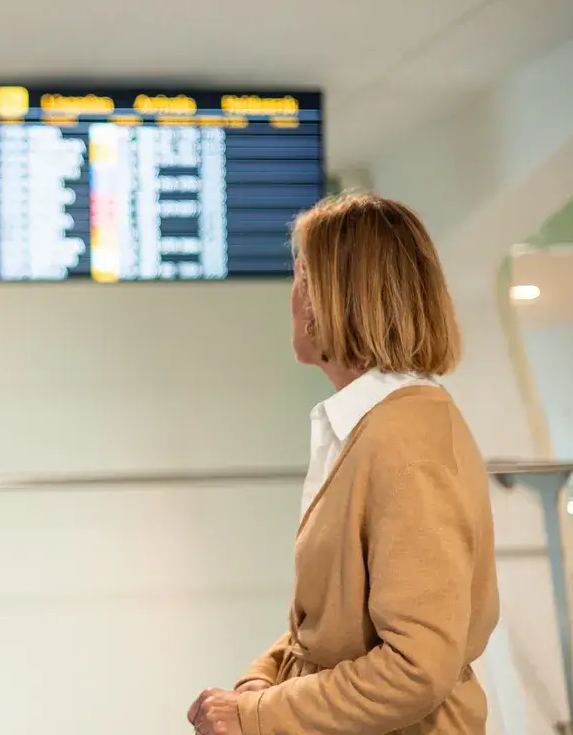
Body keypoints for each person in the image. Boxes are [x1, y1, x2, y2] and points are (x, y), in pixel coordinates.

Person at [188, 194, 500, 734]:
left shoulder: (408, 443)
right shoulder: (370, 427)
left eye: (301, 277)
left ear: (326, 300)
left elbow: (415, 668)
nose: (292, 297)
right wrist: (260, 682)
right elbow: (333, 629)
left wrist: (258, 716)